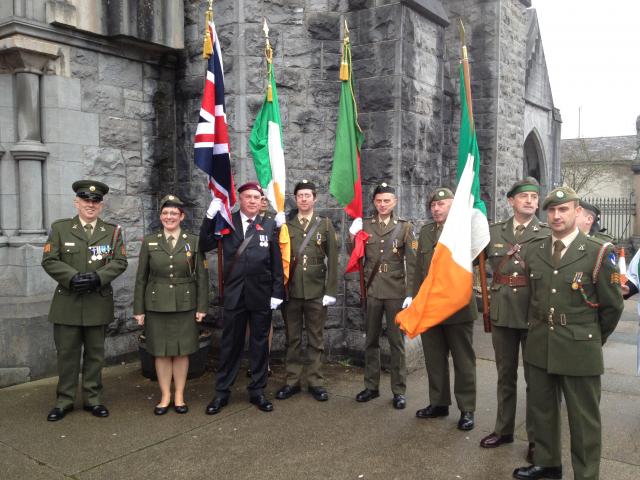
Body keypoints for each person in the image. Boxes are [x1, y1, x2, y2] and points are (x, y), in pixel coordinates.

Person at [513, 186, 624, 480]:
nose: (557, 215)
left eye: (563, 209)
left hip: (580, 346)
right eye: (551, 210)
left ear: (577, 212)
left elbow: (612, 307)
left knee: (583, 418)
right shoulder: (534, 249)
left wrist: (592, 338)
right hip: (540, 343)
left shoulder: (599, 252)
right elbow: (535, 296)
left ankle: (586, 474)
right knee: (542, 409)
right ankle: (548, 463)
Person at [42, 180, 127, 421]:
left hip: (96, 302)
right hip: (67, 302)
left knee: (95, 355)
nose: (90, 204)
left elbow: (120, 261)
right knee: (67, 354)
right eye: (86, 200)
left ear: (101, 205)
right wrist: (72, 277)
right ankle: (64, 400)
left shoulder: (112, 232)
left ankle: (93, 399)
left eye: (95, 201)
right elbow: (49, 260)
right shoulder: (60, 229)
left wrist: (97, 278)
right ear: (76, 202)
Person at [200, 182, 285, 414]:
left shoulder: (269, 224)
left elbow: (276, 260)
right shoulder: (227, 221)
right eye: (248, 197)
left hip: (261, 295)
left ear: (261, 201)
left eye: (257, 198)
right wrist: (210, 217)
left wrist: (277, 292)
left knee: (259, 344)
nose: (252, 201)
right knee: (230, 345)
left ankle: (257, 390)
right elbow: (204, 244)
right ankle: (222, 392)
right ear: (239, 198)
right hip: (234, 295)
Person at [481, 178, 550, 461]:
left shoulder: (545, 233)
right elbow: (480, 261)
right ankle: (504, 428)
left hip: (532, 312)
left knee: (536, 380)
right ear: (511, 201)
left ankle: (537, 439)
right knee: (505, 375)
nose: (531, 201)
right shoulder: (494, 231)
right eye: (524, 197)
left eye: (535, 197)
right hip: (503, 311)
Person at [133, 195, 209, 415]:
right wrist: (139, 310)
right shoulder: (150, 241)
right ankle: (165, 395)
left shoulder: (193, 241)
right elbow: (141, 278)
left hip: (186, 304)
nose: (169, 217)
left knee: (182, 352)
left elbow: (202, 278)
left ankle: (179, 395)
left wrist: (202, 307)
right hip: (156, 304)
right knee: (161, 352)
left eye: (174, 213)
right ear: (160, 216)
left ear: (181, 216)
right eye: (165, 213)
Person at [414, 187, 477, 431]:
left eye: (442, 204)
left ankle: (467, 409)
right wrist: (417, 299)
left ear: (454, 206)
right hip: (431, 306)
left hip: (457, 307)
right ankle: (438, 402)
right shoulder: (426, 231)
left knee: (463, 360)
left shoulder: (464, 230)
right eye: (434, 205)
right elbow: (420, 268)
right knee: (434, 358)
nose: (437, 209)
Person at [349, 183, 416, 409]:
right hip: (373, 290)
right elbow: (355, 256)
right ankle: (371, 386)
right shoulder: (366, 225)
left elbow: (413, 262)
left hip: (396, 292)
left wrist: (410, 293)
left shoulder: (405, 227)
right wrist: (352, 236)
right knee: (371, 340)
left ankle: (399, 390)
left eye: (387, 200)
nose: (383, 204)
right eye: (379, 201)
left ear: (394, 202)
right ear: (374, 202)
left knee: (397, 343)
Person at [275, 180, 338, 402]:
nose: (303, 199)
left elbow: (334, 258)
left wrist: (330, 290)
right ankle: (291, 381)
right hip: (291, 292)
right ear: (295, 198)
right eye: (300, 195)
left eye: (307, 195)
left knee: (315, 339)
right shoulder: (286, 225)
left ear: (314, 198)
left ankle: (315, 381)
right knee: (292, 339)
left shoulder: (325, 225)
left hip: (316, 292)